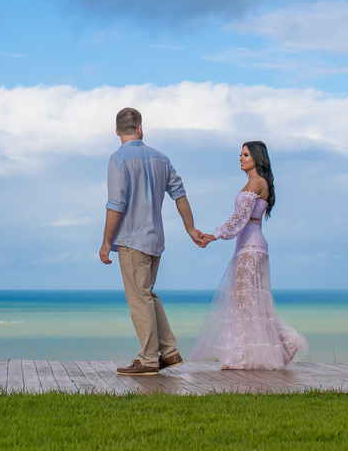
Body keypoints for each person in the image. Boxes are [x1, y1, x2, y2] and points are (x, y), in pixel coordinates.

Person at [99, 107, 207, 376]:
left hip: (132, 240)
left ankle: (148, 360)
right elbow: (179, 194)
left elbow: (116, 203)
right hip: (155, 240)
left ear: (116, 131)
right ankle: (169, 352)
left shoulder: (118, 159)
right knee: (146, 294)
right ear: (140, 128)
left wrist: (105, 242)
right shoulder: (161, 158)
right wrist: (190, 228)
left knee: (139, 299)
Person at [191, 140, 307, 370]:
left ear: (256, 157)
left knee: (248, 301)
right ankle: (249, 354)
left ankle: (284, 341)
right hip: (245, 248)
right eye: (240, 154)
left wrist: (214, 235)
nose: (241, 158)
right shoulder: (251, 183)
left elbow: (240, 219)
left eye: (245, 154)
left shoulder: (258, 182)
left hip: (251, 248)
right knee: (246, 301)